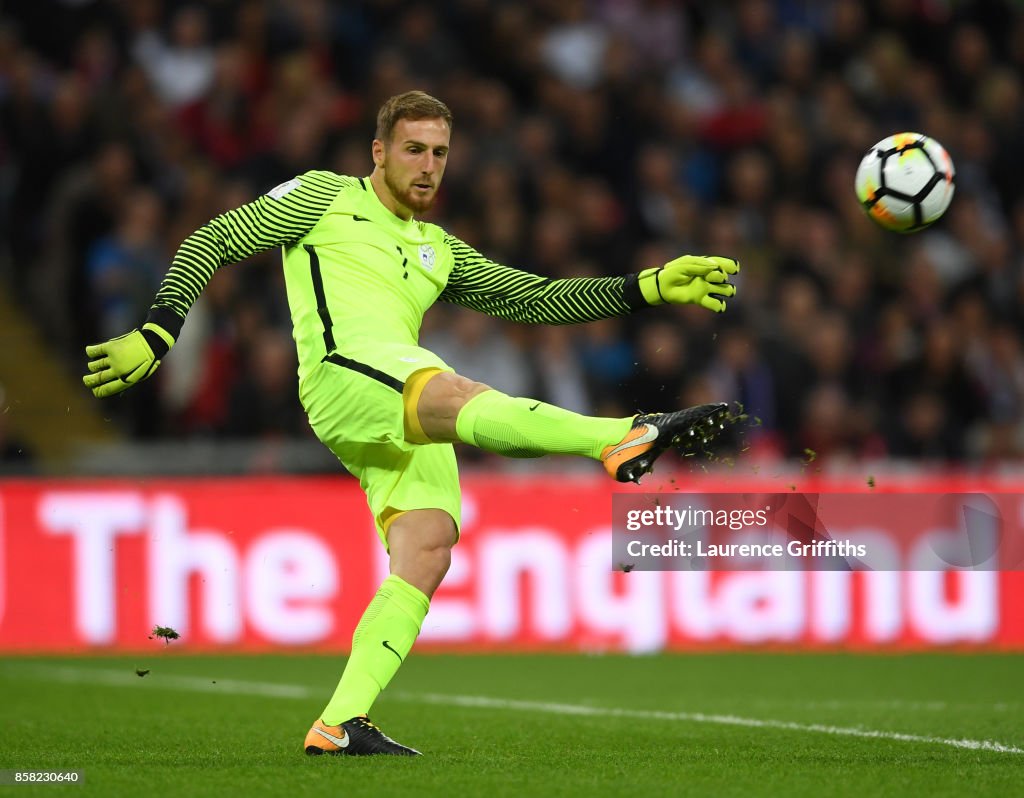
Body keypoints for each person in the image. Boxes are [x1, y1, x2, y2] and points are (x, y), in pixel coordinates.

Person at [83, 91, 739, 756]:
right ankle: (617, 435)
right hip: (345, 378)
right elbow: (214, 237)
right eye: (413, 150)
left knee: (427, 545)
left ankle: (340, 722)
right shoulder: (323, 197)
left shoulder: (439, 249)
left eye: (440, 153)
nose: (428, 166)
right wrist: (159, 331)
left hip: (395, 399)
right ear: (379, 152)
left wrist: (650, 286)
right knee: (449, 386)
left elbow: (537, 298)